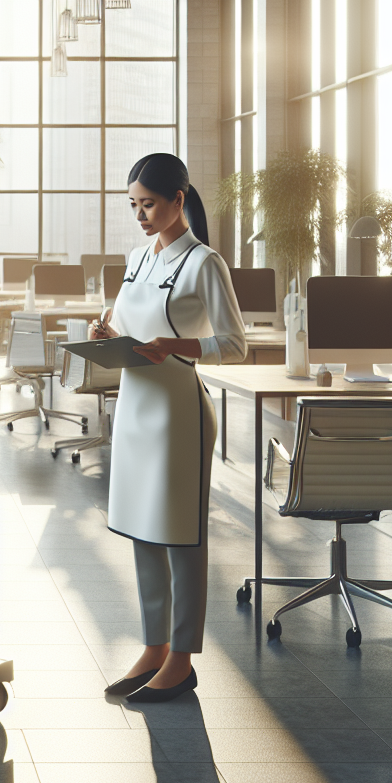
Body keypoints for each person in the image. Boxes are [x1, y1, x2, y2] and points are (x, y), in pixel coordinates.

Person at [91, 153, 246, 703]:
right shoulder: (137, 258)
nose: (140, 216)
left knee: (180, 535)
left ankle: (181, 658)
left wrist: (174, 346)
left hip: (178, 411)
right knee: (140, 529)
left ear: (178, 199)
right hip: (135, 406)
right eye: (134, 206)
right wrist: (105, 329)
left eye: (149, 204)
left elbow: (234, 344)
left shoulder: (206, 264)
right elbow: (128, 324)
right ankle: (153, 647)